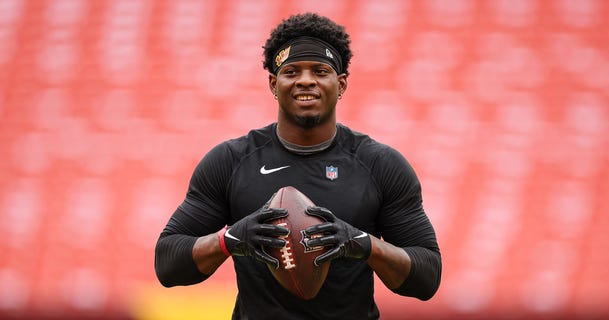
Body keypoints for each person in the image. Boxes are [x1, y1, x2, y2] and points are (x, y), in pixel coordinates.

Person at [154, 12, 441, 319]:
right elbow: (168, 264)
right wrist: (230, 240)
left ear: (341, 84)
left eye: (320, 70)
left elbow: (426, 277)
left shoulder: (380, 164)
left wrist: (362, 243)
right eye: (292, 72)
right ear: (273, 84)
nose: (306, 80)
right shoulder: (231, 161)